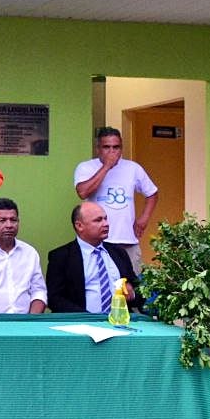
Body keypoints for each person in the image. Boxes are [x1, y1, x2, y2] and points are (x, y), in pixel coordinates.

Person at [73, 126, 159, 272]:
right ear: (98, 149)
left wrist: (144, 219)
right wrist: (107, 166)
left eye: (116, 147)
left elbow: (152, 193)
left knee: (132, 284)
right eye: (106, 147)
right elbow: (82, 192)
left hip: (128, 243)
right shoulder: (86, 167)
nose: (112, 151)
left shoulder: (133, 168)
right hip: (98, 243)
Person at [46, 202, 140, 313]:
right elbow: (54, 299)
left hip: (119, 320)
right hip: (81, 321)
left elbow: (139, 291)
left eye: (105, 219)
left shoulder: (119, 253)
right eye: (98, 220)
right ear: (79, 226)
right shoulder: (61, 257)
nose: (106, 224)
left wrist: (132, 293)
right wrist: (86, 318)